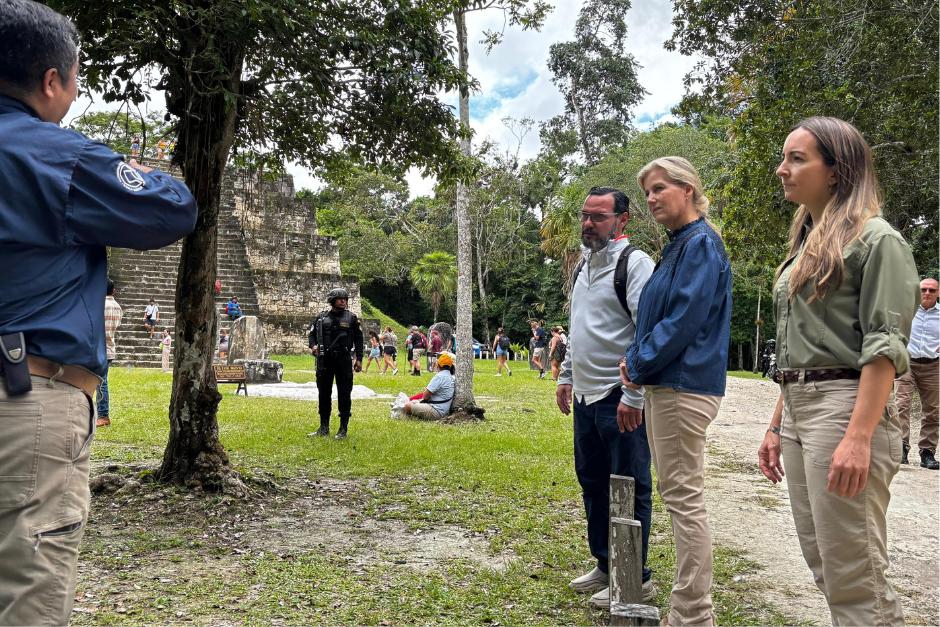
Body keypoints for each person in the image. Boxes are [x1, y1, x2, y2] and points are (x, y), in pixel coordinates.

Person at [0, 2, 198, 622]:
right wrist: (122, 167)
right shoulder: (54, 155)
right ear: (51, 80)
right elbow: (171, 208)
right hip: (24, 401)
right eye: (77, 75)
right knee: (28, 592)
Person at [756, 117, 918, 626]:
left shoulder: (878, 240)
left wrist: (859, 436)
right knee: (826, 564)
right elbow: (803, 346)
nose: (782, 169)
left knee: (856, 574)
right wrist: (777, 424)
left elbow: (884, 346)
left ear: (836, 170)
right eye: (784, 157)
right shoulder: (807, 243)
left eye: (796, 158)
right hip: (800, 409)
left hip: (845, 409)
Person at [621, 159, 732, 626]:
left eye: (659, 188)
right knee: (680, 496)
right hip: (668, 384)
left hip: (682, 385)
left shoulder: (699, 244)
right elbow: (655, 318)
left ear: (688, 189)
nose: (651, 198)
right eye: (647, 191)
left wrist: (639, 362)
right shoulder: (679, 246)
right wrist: (638, 359)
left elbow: (684, 319)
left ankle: (692, 616)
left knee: (684, 500)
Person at [557, 186, 656, 610]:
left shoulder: (635, 264)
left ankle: (635, 577)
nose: (588, 223)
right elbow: (578, 327)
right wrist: (566, 375)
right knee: (593, 482)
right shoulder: (583, 265)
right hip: (584, 395)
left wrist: (633, 394)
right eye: (585, 215)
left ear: (622, 220)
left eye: (598, 216)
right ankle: (605, 563)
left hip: (618, 396)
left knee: (629, 485)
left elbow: (647, 332)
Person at [895, 277, 939, 469]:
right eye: (923, 289)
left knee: (933, 410)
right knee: (901, 405)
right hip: (907, 363)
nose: (927, 293)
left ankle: (927, 452)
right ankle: (901, 448)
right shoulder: (906, 311)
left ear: (938, 293)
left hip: (933, 366)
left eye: (932, 290)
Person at [308, 288, 363, 439]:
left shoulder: (351, 318)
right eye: (340, 298)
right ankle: (323, 427)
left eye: (345, 299)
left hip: (343, 360)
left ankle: (343, 429)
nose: (343, 301)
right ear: (332, 300)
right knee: (323, 393)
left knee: (344, 394)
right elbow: (311, 335)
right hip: (324, 360)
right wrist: (313, 346)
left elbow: (359, 339)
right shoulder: (321, 317)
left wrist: (359, 359)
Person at [96, 279, 123, 427]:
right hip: (109, 348)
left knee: (100, 383)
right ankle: (101, 414)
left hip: (96, 348)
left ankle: (103, 415)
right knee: (102, 382)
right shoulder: (118, 307)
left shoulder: (98, 305)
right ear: (114, 291)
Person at [403, 352, 456, 419]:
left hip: (436, 411)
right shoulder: (450, 376)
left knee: (407, 406)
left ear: (438, 364)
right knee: (414, 402)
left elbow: (425, 396)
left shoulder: (439, 376)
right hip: (444, 410)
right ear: (450, 366)